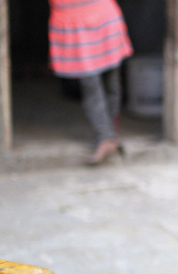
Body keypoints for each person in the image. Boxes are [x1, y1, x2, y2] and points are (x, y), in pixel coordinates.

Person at [48, 0, 134, 165]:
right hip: (73, 23)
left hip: (103, 16)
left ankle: (110, 136)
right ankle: (105, 137)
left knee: (111, 82)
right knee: (90, 84)